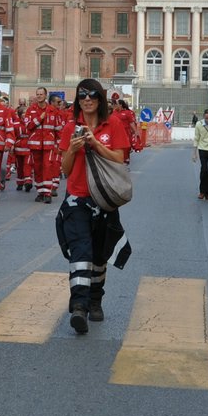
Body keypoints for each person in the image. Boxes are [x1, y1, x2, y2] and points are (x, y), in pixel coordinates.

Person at [55, 78, 132, 335]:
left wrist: (96, 145)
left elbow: (120, 159)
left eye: (92, 95)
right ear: (77, 101)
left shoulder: (114, 124)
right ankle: (79, 306)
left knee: (99, 256)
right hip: (77, 200)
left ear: (100, 99)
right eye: (81, 96)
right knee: (81, 253)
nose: (87, 99)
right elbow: (65, 171)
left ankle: (96, 299)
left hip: (104, 201)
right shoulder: (69, 128)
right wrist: (73, 150)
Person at [27, 87, 65, 203]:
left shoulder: (53, 110)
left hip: (49, 145)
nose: (39, 96)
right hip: (35, 145)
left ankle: (47, 192)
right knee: (37, 169)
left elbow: (59, 129)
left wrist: (60, 145)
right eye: (37, 94)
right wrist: (40, 118)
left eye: (41, 94)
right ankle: (40, 192)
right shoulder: (31, 110)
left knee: (48, 167)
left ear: (45, 95)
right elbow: (28, 126)